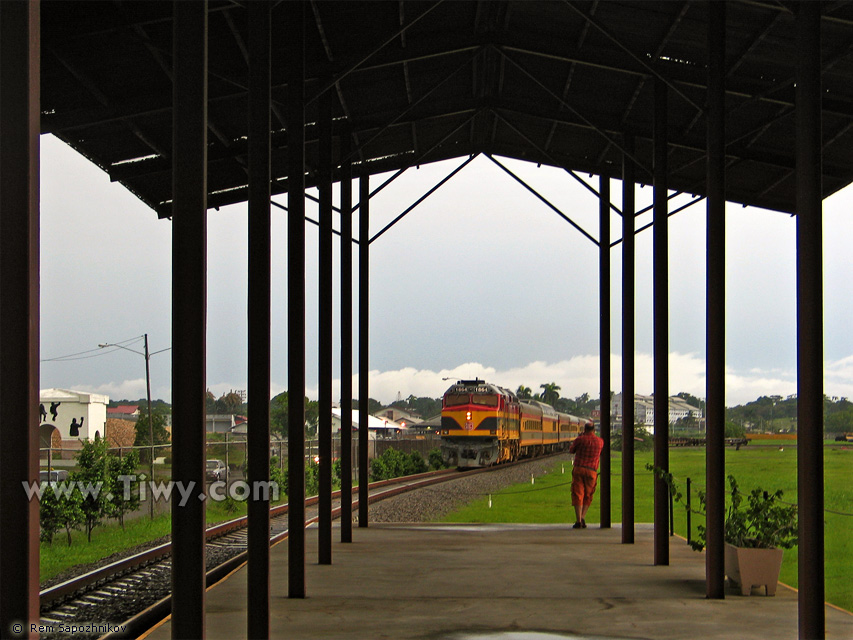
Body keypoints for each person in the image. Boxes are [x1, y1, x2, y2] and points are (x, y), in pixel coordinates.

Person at [569, 423, 604, 529]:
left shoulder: (580, 439)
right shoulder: (600, 441)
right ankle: (583, 517)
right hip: (592, 471)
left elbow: (571, 450)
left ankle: (578, 520)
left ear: (585, 429)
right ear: (594, 430)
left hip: (579, 469)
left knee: (577, 493)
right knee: (588, 495)